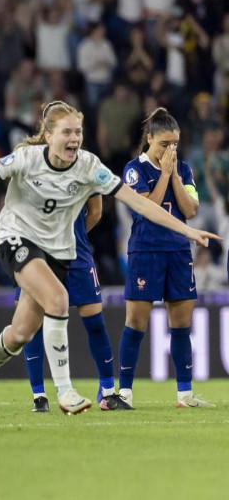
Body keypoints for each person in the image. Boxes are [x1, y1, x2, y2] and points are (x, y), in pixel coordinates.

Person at [0, 101, 218, 413]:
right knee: (58, 299)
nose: (75, 139)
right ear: (48, 136)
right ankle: (65, 392)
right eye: (67, 132)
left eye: (78, 133)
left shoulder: (89, 167)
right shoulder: (24, 160)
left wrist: (188, 231)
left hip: (58, 252)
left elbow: (139, 203)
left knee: (20, 334)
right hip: (17, 239)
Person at [115, 108, 214, 409]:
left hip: (179, 251)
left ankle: (185, 395)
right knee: (136, 322)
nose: (170, 150)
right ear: (149, 138)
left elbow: (190, 210)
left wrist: (172, 175)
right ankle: (124, 393)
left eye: (175, 144)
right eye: (164, 143)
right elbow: (148, 208)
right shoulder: (134, 169)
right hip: (146, 250)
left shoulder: (184, 169)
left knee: (182, 323)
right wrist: (165, 176)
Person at [17, 200, 128, 413]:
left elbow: (95, 212)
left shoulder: (85, 168)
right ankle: (39, 396)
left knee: (95, 323)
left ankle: (107, 392)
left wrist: (66, 238)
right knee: (32, 326)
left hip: (77, 256)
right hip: (40, 257)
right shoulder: (32, 167)